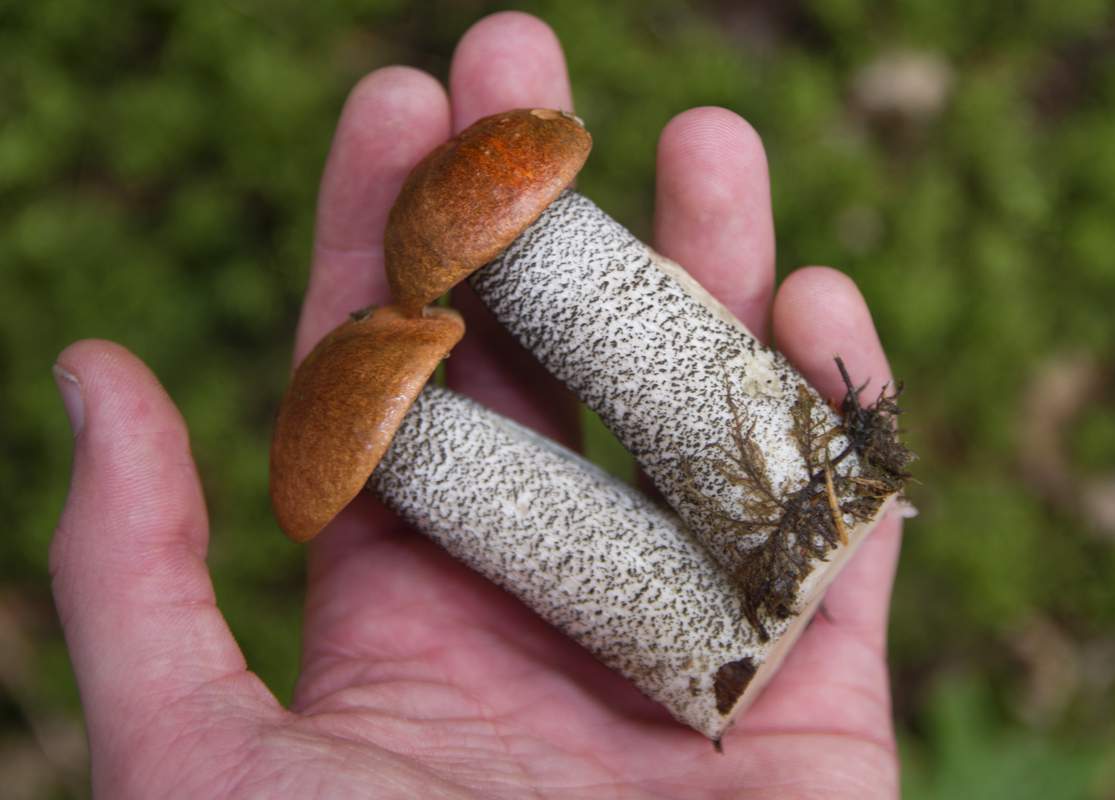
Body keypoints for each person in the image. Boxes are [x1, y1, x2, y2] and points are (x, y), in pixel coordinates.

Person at [50, 12, 904, 798]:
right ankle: (740, 596)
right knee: (563, 494)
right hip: (705, 624)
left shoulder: (525, 238)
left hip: (752, 505)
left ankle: (796, 511)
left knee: (659, 368)